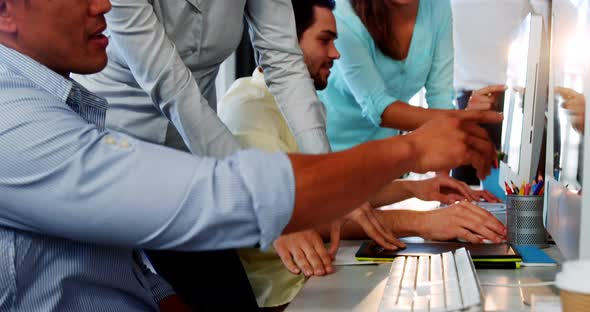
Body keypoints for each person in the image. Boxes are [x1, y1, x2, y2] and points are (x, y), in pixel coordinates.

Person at [0, 0, 502, 310]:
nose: (102, 4)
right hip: (150, 153)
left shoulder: (63, 101)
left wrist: (345, 187)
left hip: (193, 166)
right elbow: (178, 99)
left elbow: (283, 61)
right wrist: (408, 151)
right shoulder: (24, 126)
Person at [218, 0, 503, 308]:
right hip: (289, 291)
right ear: (284, 42)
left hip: (317, 274)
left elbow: (329, 198)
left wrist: (416, 188)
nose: (335, 53)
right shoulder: (249, 105)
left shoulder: (303, 111)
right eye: (325, 40)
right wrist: (422, 223)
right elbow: (290, 219)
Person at [317, 0, 504, 156]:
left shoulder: (437, 6)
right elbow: (380, 109)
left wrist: (443, 176)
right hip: (329, 151)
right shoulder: (342, 14)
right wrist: (463, 119)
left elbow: (440, 97)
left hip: (382, 157)